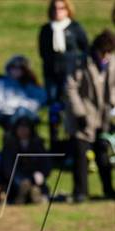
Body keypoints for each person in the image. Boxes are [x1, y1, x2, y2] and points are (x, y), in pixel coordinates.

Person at [64, 29, 115, 202]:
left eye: (109, 53)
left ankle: (108, 190)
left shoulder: (112, 62)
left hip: (103, 116)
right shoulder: (81, 62)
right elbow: (71, 88)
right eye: (103, 53)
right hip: (83, 115)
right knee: (80, 155)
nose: (105, 56)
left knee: (102, 154)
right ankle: (80, 192)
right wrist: (79, 112)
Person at [38, 0, 88, 149]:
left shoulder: (75, 28)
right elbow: (42, 52)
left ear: (68, 9)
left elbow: (85, 48)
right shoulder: (46, 29)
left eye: (61, 8)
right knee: (54, 108)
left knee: (69, 109)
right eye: (55, 8)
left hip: (70, 76)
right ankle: (54, 142)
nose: (57, 11)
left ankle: (72, 143)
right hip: (52, 76)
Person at [0, 55, 47, 129]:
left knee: (23, 113)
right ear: (9, 68)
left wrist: (22, 106)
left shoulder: (30, 85)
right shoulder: (0, 83)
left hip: (27, 115)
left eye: (20, 68)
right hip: (5, 116)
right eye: (13, 67)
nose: (16, 70)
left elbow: (40, 100)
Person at [1, 115, 52, 204]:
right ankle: (24, 195)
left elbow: (46, 163)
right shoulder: (10, 145)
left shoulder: (38, 144)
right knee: (21, 184)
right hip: (16, 178)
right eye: (20, 128)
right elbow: (7, 166)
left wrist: (42, 173)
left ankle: (33, 193)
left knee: (34, 186)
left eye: (25, 128)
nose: (23, 131)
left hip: (34, 177)